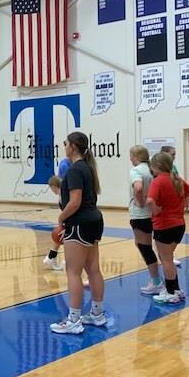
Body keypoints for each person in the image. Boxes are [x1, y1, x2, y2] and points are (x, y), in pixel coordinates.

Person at [50, 132, 106, 334]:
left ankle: (73, 320)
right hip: (94, 220)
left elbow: (75, 202)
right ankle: (97, 314)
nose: (64, 146)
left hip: (79, 222)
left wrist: (61, 218)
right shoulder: (88, 168)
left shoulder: (75, 170)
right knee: (93, 269)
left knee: (73, 272)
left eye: (65, 143)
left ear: (73, 146)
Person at [146, 152, 189, 304]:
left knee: (166, 260)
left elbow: (149, 200)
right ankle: (176, 289)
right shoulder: (176, 179)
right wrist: (183, 205)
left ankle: (171, 292)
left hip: (164, 225)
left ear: (155, 166)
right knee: (168, 259)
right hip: (179, 225)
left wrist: (156, 210)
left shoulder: (158, 181)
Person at [129, 145, 163, 295]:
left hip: (140, 213)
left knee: (145, 248)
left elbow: (138, 187)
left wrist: (140, 201)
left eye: (131, 156)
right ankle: (157, 280)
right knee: (142, 244)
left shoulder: (136, 171)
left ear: (136, 157)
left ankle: (156, 282)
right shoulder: (150, 169)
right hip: (151, 214)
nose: (130, 159)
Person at [161, 145, 182, 266]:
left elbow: (178, 182)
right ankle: (166, 256)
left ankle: (169, 255)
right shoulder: (158, 169)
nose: (174, 157)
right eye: (172, 154)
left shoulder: (173, 168)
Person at [43, 175, 63, 270]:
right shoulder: (61, 194)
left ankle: (51, 258)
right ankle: (51, 257)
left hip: (71, 220)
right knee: (59, 237)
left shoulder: (63, 194)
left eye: (51, 188)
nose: (52, 191)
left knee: (64, 238)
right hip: (67, 220)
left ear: (53, 186)